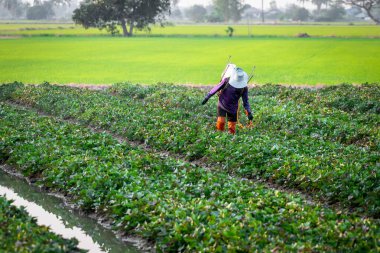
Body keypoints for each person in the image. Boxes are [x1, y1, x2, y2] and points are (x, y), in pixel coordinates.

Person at [201, 64, 253, 134]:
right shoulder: (227, 80)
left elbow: (245, 101)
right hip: (222, 104)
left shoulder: (244, 88)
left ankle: (230, 140)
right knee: (221, 122)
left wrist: (249, 112)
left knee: (232, 128)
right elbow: (217, 88)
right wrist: (207, 97)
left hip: (233, 108)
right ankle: (219, 137)